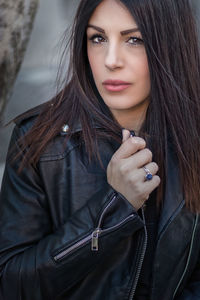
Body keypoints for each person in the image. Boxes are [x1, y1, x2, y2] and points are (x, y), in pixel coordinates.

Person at [0, 0, 200, 299]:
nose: (111, 60)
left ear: (169, 43)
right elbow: (11, 284)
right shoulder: (39, 143)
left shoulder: (193, 139)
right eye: (98, 38)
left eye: (134, 39)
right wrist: (114, 206)